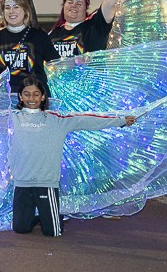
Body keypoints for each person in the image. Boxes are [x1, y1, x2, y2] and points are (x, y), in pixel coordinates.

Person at [10, 77, 137, 236]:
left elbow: (87, 120)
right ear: (20, 96)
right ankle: (39, 217)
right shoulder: (12, 118)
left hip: (46, 182)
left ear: (43, 97)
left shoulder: (57, 120)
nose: (31, 98)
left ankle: (54, 217)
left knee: (53, 232)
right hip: (22, 182)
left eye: (36, 94)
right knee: (20, 229)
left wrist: (120, 121)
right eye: (27, 94)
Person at [0, 0, 61, 94]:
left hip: (34, 96)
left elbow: (56, 66)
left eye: (16, 7)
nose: (11, 11)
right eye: (7, 8)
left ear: (25, 10)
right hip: (7, 96)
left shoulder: (40, 36)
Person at [49, 0, 131, 58]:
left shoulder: (94, 27)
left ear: (85, 10)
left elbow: (109, 3)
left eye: (79, 4)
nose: (74, 6)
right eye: (70, 2)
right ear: (63, 6)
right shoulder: (52, 34)